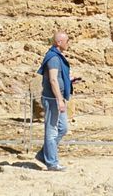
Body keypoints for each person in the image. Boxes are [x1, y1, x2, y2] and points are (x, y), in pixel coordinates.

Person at [36, 31, 73, 171]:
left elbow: (57, 78)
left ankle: (43, 154)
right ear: (59, 42)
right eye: (67, 41)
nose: (68, 44)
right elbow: (52, 79)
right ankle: (52, 163)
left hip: (58, 98)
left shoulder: (56, 57)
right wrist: (59, 100)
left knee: (63, 128)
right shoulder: (53, 58)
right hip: (53, 99)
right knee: (51, 131)